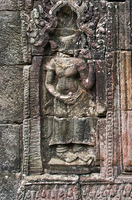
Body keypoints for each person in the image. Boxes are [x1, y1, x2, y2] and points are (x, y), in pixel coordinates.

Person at [45, 31, 97, 165]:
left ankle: (79, 149)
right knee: (61, 122)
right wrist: (60, 96)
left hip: (78, 97)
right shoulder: (54, 62)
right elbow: (48, 83)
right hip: (61, 98)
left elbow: (88, 84)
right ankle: (62, 151)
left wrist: (90, 64)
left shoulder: (78, 62)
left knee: (78, 122)